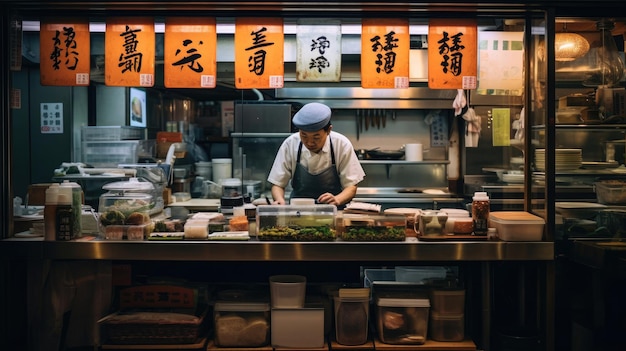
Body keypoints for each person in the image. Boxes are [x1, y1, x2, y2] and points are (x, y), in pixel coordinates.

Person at [267, 102, 365, 207]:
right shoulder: (290, 143)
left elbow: (351, 187)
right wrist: (279, 200)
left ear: (328, 130)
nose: (309, 142)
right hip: (298, 211)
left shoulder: (341, 144)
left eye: (316, 137)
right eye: (304, 135)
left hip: (334, 211)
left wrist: (337, 199)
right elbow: (277, 184)